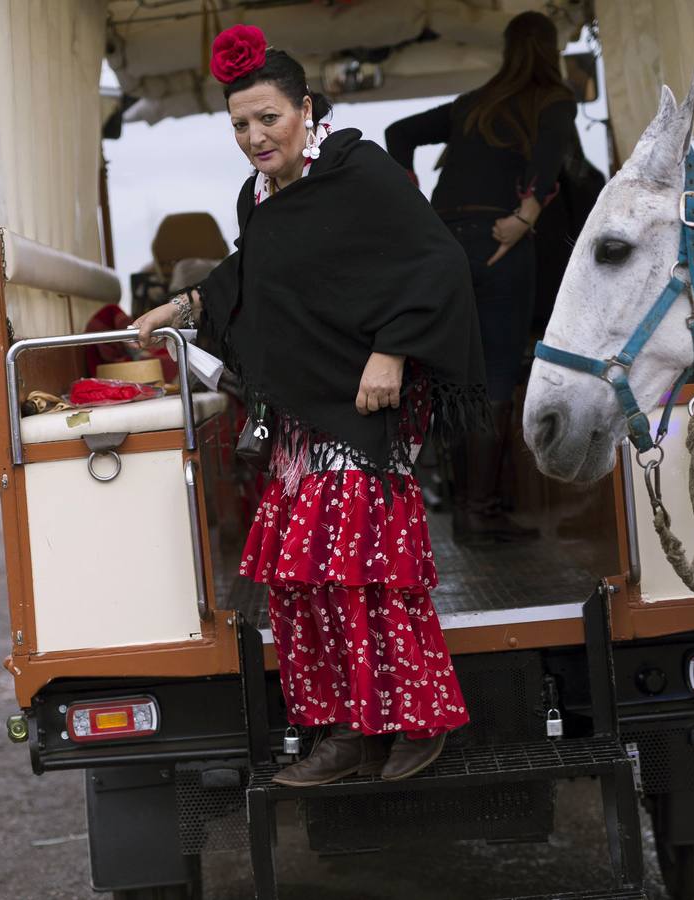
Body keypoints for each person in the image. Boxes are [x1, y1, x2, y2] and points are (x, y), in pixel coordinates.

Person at [135, 24, 489, 785]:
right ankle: (344, 735)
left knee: (364, 569)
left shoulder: (359, 169)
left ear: (304, 108)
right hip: (302, 411)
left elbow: (435, 261)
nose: (255, 136)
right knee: (300, 580)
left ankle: (415, 723)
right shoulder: (258, 196)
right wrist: (175, 310)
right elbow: (252, 280)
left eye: (269, 117)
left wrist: (392, 350)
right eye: (239, 124)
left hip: (369, 397)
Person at [385, 11, 579, 542]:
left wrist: (412, 195)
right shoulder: (554, 99)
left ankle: (462, 506)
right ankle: (481, 511)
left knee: (457, 376)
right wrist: (524, 219)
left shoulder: (477, 102)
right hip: (499, 237)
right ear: (550, 49)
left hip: (444, 242)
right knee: (496, 375)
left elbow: (399, 133)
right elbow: (549, 156)